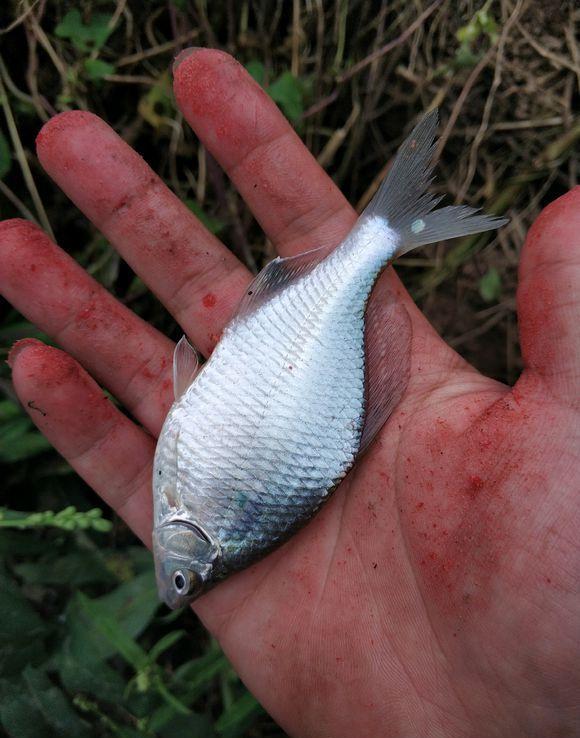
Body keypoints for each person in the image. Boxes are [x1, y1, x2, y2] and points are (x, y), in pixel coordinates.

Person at [1, 48, 578, 738]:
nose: (172, 580)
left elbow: (190, 392)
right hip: (303, 391)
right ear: (197, 554)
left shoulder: (188, 506)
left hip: (301, 388)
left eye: (181, 583)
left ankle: (381, 234)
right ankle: (385, 235)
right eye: (181, 580)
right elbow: (195, 393)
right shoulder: (201, 517)